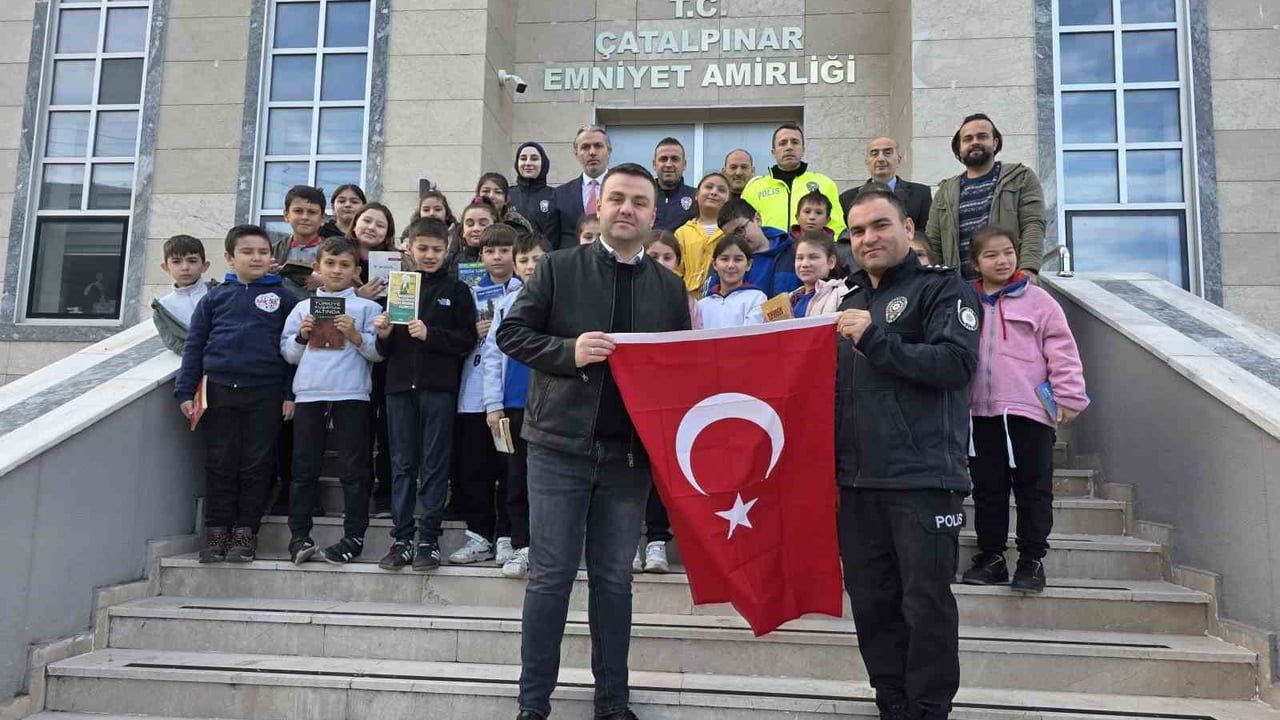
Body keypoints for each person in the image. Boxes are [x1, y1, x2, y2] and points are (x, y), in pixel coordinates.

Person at [497, 163, 691, 720]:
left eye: (638, 202)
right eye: (617, 199)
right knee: (551, 580)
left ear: (654, 216)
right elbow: (513, 333)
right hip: (559, 447)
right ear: (599, 208)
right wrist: (568, 352)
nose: (626, 209)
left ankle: (612, 702)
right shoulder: (558, 268)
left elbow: (680, 369)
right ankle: (533, 705)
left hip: (629, 458)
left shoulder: (670, 287)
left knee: (613, 583)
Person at [835, 188, 981, 720]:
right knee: (872, 605)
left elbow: (954, 365)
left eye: (879, 226)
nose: (868, 238)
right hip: (856, 482)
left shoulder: (945, 290)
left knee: (925, 605)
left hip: (923, 479)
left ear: (909, 229)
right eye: (857, 232)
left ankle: (927, 708)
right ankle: (890, 701)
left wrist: (875, 339)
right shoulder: (847, 299)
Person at [961, 226, 1089, 594]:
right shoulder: (964, 301)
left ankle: (1032, 560)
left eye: (1008, 253)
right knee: (988, 490)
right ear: (975, 263)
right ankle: (992, 558)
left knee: (1034, 490)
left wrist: (1070, 397)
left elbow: (1062, 352)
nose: (1001, 261)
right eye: (991, 255)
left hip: (1029, 413)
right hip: (980, 415)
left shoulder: (1040, 302)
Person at [175, 225, 300, 564]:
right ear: (230, 258)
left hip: (266, 392)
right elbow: (194, 346)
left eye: (262, 252)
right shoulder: (214, 298)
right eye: (247, 252)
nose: (256, 257)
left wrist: (290, 393)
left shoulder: (286, 296)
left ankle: (246, 532)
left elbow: (294, 350)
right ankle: (217, 532)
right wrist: (186, 390)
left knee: (257, 465)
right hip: (218, 391)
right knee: (220, 462)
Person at [373, 218, 479, 571]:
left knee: (434, 465)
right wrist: (385, 333)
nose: (430, 255)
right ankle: (402, 539)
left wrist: (430, 334)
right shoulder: (399, 288)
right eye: (423, 248)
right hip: (399, 388)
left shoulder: (457, 291)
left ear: (447, 251)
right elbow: (384, 353)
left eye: (436, 249)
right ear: (409, 249)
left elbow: (466, 340)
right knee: (402, 465)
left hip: (439, 389)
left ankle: (428, 539)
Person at [280, 237, 383, 565]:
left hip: (352, 393)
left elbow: (377, 354)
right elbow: (290, 355)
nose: (337, 270)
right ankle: (298, 537)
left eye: (344, 265)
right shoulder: (301, 308)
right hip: (310, 393)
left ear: (356, 272)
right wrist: (302, 335)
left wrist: (355, 335)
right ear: (317, 268)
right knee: (303, 468)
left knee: (354, 469)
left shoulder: (369, 308)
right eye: (330, 264)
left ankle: (354, 536)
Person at [451, 224, 522, 567]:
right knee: (474, 468)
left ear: (516, 256)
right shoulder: (465, 291)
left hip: (509, 396)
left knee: (509, 468)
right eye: (490, 251)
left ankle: (507, 535)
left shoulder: (527, 293)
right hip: (472, 394)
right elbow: (449, 338)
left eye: (504, 250)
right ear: (480, 256)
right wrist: (471, 332)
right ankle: (479, 535)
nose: (497, 256)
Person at [482, 232, 550, 579]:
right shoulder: (506, 304)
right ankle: (521, 547)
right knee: (515, 478)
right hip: (512, 405)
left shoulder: (562, 299)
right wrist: (493, 405)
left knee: (547, 482)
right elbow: (493, 355)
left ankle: (547, 547)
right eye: (524, 260)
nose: (530, 266)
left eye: (538, 259)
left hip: (550, 406)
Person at [925, 113, 1045, 281]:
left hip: (1010, 286)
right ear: (960, 147)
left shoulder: (1021, 178)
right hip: (961, 291)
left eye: (982, 136)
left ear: (995, 143)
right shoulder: (945, 192)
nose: (975, 142)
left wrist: (1029, 269)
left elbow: (1033, 225)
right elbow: (933, 243)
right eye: (967, 139)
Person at [347, 202, 397, 518]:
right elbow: (322, 308)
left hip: (387, 353)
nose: (371, 228)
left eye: (380, 225)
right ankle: (358, 494)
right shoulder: (337, 259)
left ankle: (385, 492)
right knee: (357, 429)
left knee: (387, 426)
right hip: (347, 358)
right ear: (354, 224)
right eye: (367, 221)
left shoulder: (396, 263)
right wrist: (357, 298)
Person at [741, 123, 845, 236]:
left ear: (803, 150)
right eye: (783, 143)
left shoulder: (824, 183)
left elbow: (836, 227)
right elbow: (743, 225)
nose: (789, 147)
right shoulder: (754, 187)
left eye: (795, 142)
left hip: (810, 251)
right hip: (770, 252)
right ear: (773, 152)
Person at [704, 198, 800, 297]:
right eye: (731, 236)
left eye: (740, 230)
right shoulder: (724, 261)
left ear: (757, 219)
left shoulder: (793, 250)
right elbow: (710, 300)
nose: (738, 239)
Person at [839, 138, 932, 234]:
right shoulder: (847, 198)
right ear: (867, 162)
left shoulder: (921, 193)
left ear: (899, 160)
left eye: (887, 153)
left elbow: (926, 235)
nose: (881, 159)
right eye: (874, 154)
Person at [152, 234, 213, 355]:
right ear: (166, 267)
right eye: (176, 262)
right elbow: (173, 342)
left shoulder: (220, 293)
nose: (185, 267)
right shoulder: (163, 308)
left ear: (204, 266)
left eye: (192, 261)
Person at [553, 125, 611, 249]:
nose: (592, 152)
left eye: (598, 146)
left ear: (609, 151)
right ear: (576, 154)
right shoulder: (560, 194)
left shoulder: (623, 190)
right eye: (585, 147)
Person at [673, 172, 729, 296]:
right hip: (689, 301)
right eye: (709, 187)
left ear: (728, 199)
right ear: (697, 195)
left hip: (723, 298)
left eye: (721, 190)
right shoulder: (682, 233)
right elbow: (675, 272)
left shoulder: (732, 232)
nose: (714, 192)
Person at [698, 235, 767, 329]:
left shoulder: (757, 298)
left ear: (748, 265)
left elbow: (751, 336)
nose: (731, 265)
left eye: (738, 259)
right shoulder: (702, 305)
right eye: (724, 259)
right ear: (714, 264)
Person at [272, 185, 328, 299]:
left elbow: (350, 287)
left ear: (322, 218)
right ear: (286, 215)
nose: (305, 217)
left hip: (321, 313)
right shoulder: (273, 251)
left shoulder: (336, 250)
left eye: (312, 212)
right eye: (298, 211)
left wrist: (326, 282)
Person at [645, 230, 701, 330]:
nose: (660, 263)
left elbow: (694, 338)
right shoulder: (631, 292)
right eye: (654, 257)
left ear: (677, 262)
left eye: (667, 258)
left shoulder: (688, 301)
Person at [508, 141, 562, 242]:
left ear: (544, 163)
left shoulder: (556, 196)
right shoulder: (507, 194)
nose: (528, 163)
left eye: (534, 159)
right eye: (523, 158)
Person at [789, 230, 850, 318]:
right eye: (799, 258)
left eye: (813, 257)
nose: (804, 264)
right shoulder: (789, 300)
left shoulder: (843, 295)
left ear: (831, 262)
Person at [652, 137, 697, 232]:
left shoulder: (697, 197)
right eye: (663, 159)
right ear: (654, 164)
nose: (668, 164)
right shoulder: (642, 196)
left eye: (675, 159)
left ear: (684, 164)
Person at [448, 197, 499, 277]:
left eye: (483, 224)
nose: (476, 229)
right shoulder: (451, 262)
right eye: (470, 224)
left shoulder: (505, 258)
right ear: (463, 231)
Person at [477, 172, 536, 237]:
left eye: (498, 192)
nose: (491, 196)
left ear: (506, 199)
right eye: (486, 191)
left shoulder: (517, 225)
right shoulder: (470, 221)